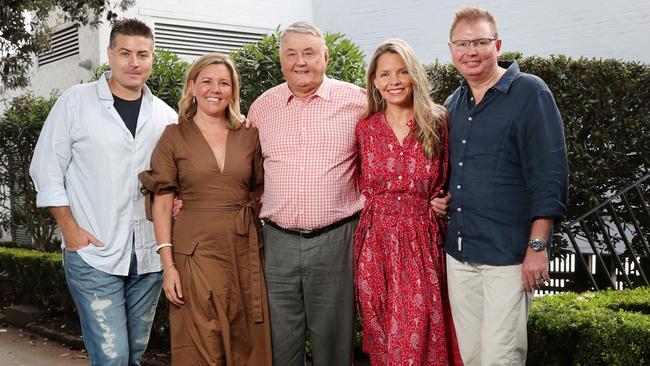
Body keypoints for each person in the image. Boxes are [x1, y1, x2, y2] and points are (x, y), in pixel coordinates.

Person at [29, 19, 177, 365]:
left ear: (152, 59)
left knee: (132, 356)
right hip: (93, 252)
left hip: (148, 256)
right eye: (125, 53)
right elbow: (46, 168)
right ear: (110, 54)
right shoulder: (76, 102)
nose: (133, 62)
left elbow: (174, 181)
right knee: (112, 358)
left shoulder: (165, 117)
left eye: (142, 54)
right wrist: (69, 229)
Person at [443, 6, 569, 365]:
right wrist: (444, 198)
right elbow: (457, 173)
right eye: (463, 44)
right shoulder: (455, 103)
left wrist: (537, 246)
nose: (472, 51)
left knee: (501, 357)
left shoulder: (530, 93)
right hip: (461, 255)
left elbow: (550, 176)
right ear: (451, 50)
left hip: (508, 257)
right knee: (472, 357)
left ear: (497, 44)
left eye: (481, 42)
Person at [139, 53, 271, 365]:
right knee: (201, 345)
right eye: (208, 81)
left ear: (233, 90)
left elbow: (260, 189)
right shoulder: (174, 136)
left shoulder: (249, 134)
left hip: (243, 252)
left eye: (224, 82)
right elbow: (162, 205)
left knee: (247, 343)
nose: (216, 89)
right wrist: (168, 266)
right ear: (193, 86)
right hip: (194, 254)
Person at [246, 21, 366, 366]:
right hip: (278, 244)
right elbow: (244, 168)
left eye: (309, 53)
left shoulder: (356, 102)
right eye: (292, 54)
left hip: (336, 240)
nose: (301, 62)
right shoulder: (262, 107)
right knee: (279, 347)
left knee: (334, 348)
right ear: (281, 61)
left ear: (325, 57)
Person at [354, 39, 463, 366]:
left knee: (419, 339)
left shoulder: (438, 121)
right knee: (385, 342)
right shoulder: (365, 128)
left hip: (421, 245)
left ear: (414, 75)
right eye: (385, 74)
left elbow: (458, 175)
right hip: (375, 246)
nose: (394, 81)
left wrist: (445, 200)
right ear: (374, 81)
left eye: (402, 72)